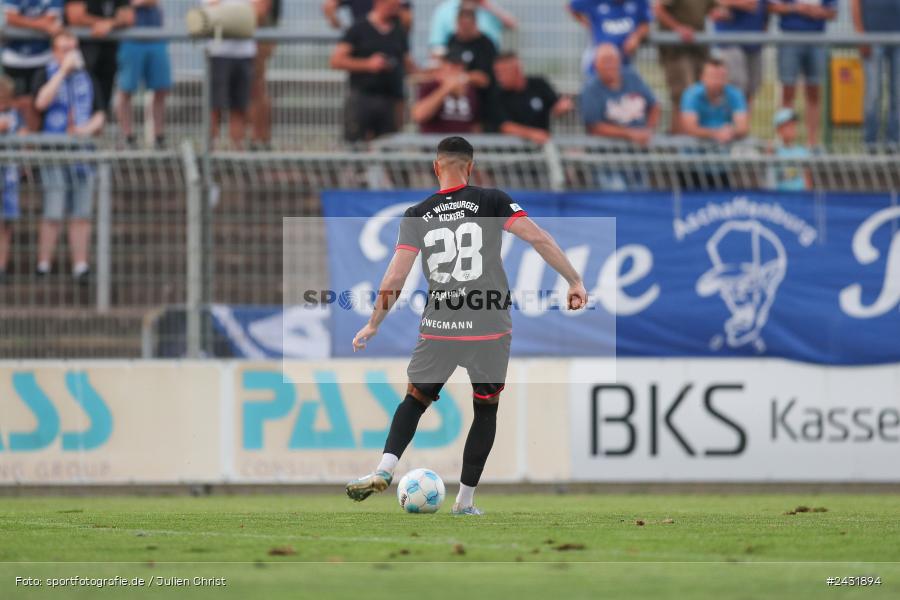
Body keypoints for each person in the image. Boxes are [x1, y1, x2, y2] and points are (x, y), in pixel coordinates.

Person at [346, 136, 588, 515]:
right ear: (471, 167)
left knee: (415, 399)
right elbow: (538, 238)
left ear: (435, 167)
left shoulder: (418, 213)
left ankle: (383, 468)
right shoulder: (492, 200)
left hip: (440, 324)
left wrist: (374, 322)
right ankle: (465, 502)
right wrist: (574, 280)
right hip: (489, 325)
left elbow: (395, 276)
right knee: (486, 409)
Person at [32, 30, 105, 283]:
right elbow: (40, 102)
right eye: (64, 49)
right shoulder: (45, 74)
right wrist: (62, 71)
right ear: (55, 52)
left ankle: (81, 266)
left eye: (73, 48)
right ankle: (43, 265)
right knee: (53, 211)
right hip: (54, 154)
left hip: (82, 156)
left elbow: (100, 114)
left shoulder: (89, 78)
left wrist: (84, 130)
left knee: (81, 213)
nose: (71, 54)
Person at [330, 0, 415, 143]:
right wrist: (368, 64)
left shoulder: (398, 31)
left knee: (388, 148)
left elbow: (408, 64)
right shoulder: (358, 28)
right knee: (356, 146)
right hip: (362, 98)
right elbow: (336, 60)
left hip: (390, 101)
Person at [770, 0, 837, 147]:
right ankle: (785, 142)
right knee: (787, 91)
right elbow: (772, 6)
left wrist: (817, 12)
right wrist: (795, 8)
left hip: (816, 39)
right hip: (789, 38)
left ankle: (812, 143)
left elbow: (832, 12)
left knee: (814, 92)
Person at [653, 0, 717, 133]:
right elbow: (658, 10)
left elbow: (713, 10)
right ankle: (678, 145)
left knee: (699, 94)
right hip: (675, 50)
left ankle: (694, 140)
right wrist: (678, 28)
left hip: (698, 48)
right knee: (683, 96)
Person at [115, 0, 171, 149]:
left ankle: (158, 137)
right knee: (126, 90)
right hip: (130, 38)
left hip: (156, 37)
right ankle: (127, 136)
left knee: (161, 89)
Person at [205, 0, 259, 150]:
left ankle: (237, 154)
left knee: (240, 107)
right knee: (215, 107)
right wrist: (241, 16)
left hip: (245, 54)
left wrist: (228, 16)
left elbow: (258, 12)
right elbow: (211, 13)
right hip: (219, 53)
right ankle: (210, 154)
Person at [487, 52, 574, 144]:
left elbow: (556, 105)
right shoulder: (496, 95)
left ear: (516, 70)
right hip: (510, 153)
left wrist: (563, 107)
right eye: (496, 73)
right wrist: (532, 134)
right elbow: (505, 126)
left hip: (542, 149)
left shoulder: (539, 84)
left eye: (503, 72)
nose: (499, 77)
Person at [581, 43, 659, 145]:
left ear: (619, 61)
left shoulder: (632, 77)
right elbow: (594, 127)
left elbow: (654, 105)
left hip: (640, 149)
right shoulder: (590, 89)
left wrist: (648, 130)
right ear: (596, 65)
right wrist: (630, 134)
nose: (609, 65)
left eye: (612, 60)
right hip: (607, 151)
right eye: (604, 61)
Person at [3, 0, 63, 131]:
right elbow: (11, 18)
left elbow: (51, 19)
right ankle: (19, 142)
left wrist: (24, 22)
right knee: (14, 105)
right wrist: (41, 25)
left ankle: (32, 146)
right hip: (14, 59)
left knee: (38, 106)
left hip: (43, 59)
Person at [64, 0, 134, 110]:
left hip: (108, 55)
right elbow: (75, 17)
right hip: (82, 57)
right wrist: (105, 23)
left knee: (102, 107)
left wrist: (110, 23)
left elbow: (129, 17)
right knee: (79, 107)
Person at [851, 0, 900, 147]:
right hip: (872, 37)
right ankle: (870, 145)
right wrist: (861, 35)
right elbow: (855, 3)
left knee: (898, 95)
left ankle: (894, 144)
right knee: (873, 94)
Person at [711, 0, 769, 108]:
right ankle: (730, 122)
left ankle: (743, 123)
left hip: (755, 42)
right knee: (734, 87)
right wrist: (740, 3)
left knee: (751, 89)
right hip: (729, 41)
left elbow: (764, 7)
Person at [569, 0, 651, 73]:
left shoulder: (639, 2)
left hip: (624, 60)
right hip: (599, 60)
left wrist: (636, 37)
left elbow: (645, 24)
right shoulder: (594, 2)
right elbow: (572, 7)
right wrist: (589, 25)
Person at [680, 58, 749, 144]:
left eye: (722, 77)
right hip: (697, 147)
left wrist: (731, 131)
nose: (717, 81)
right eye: (713, 76)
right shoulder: (691, 94)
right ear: (702, 77)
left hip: (727, 145)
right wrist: (715, 133)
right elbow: (689, 128)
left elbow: (742, 127)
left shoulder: (735, 94)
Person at [412, 55, 481, 134]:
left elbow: (475, 123)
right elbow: (419, 115)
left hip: (462, 143)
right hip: (435, 143)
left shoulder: (470, 90)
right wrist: (446, 89)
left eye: (460, 69)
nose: (456, 72)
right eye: (452, 68)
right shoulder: (430, 87)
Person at [0, 75, 24, 284]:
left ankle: (2, 266)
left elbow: (25, 136)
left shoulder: (15, 115)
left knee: (6, 223)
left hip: (9, 177)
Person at [429, 0, 517, 56]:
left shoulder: (488, 8)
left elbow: (512, 25)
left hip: (488, 61)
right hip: (456, 63)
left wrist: (487, 5)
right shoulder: (444, 10)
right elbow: (437, 46)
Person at [446, 6, 497, 91]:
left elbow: (485, 79)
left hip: (481, 94)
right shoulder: (452, 40)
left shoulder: (485, 44)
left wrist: (463, 77)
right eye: (462, 25)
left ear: (474, 24)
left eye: (467, 26)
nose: (464, 29)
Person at [249, 0, 277, 150]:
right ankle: (259, 138)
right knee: (256, 90)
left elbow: (259, 10)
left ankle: (260, 138)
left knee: (256, 90)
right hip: (254, 36)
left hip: (258, 37)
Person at [769, 107, 811, 190]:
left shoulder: (803, 152)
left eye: (793, 125)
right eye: (787, 125)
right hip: (780, 197)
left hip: (800, 197)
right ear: (779, 129)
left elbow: (807, 179)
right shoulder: (774, 150)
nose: (792, 128)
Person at [323, 0, 412, 31]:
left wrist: (339, 25)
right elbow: (407, 19)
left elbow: (329, 6)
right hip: (388, 39)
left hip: (360, 39)